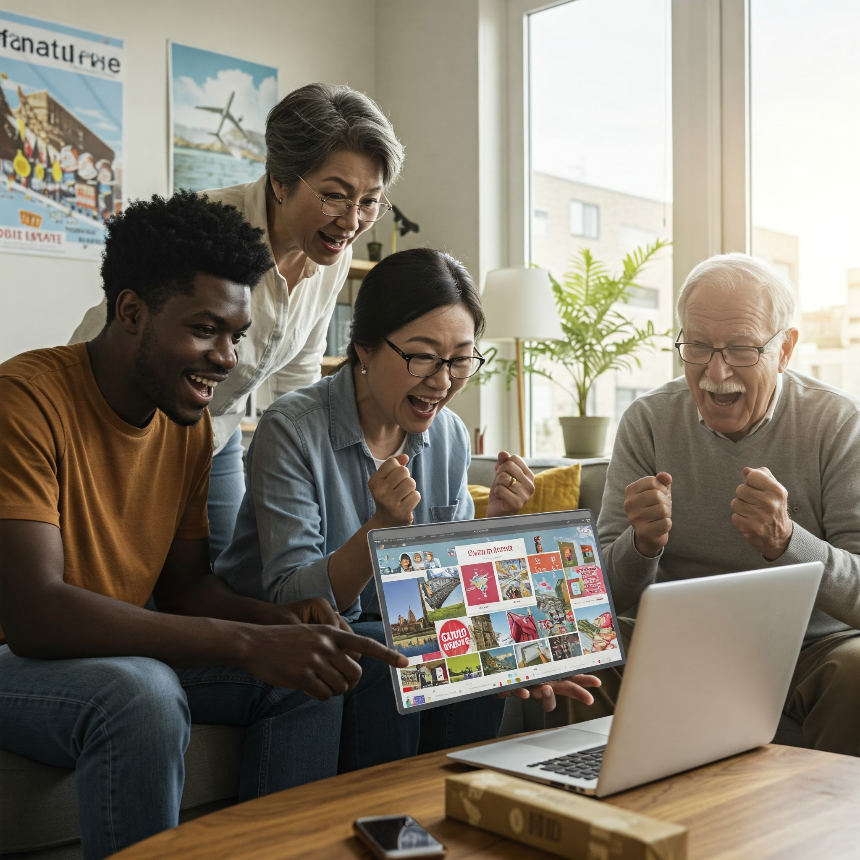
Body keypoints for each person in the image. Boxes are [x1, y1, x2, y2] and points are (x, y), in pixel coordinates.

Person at [0, 192, 407, 860]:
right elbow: (34, 615)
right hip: (18, 659)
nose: (226, 357)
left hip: (108, 652)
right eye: (205, 330)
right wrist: (246, 642)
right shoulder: (24, 401)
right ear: (131, 312)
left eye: (236, 336)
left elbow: (186, 587)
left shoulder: (186, 426)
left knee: (311, 668)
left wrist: (279, 624)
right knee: (142, 694)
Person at [215, 248, 602, 752]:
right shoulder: (291, 428)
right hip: (280, 635)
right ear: (365, 348)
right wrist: (379, 528)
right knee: (390, 661)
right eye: (422, 356)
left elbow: (447, 594)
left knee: (474, 671)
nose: (442, 381)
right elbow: (294, 599)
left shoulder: (449, 436)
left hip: (392, 632)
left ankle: (462, 797)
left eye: (460, 359)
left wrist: (495, 533)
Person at [70, 83, 405, 561]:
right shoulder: (205, 230)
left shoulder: (331, 255)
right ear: (280, 181)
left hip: (215, 430)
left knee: (221, 571)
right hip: (123, 425)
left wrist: (303, 469)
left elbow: (297, 378)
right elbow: (118, 344)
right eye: (335, 196)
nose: (351, 222)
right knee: (117, 572)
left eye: (370, 201)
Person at [583, 253, 860, 754]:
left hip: (809, 648)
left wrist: (787, 542)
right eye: (697, 346)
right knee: (582, 655)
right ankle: (581, 799)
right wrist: (641, 545)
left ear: (785, 349)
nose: (716, 371)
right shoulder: (647, 421)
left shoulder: (839, 422)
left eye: (741, 348)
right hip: (674, 642)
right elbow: (599, 599)